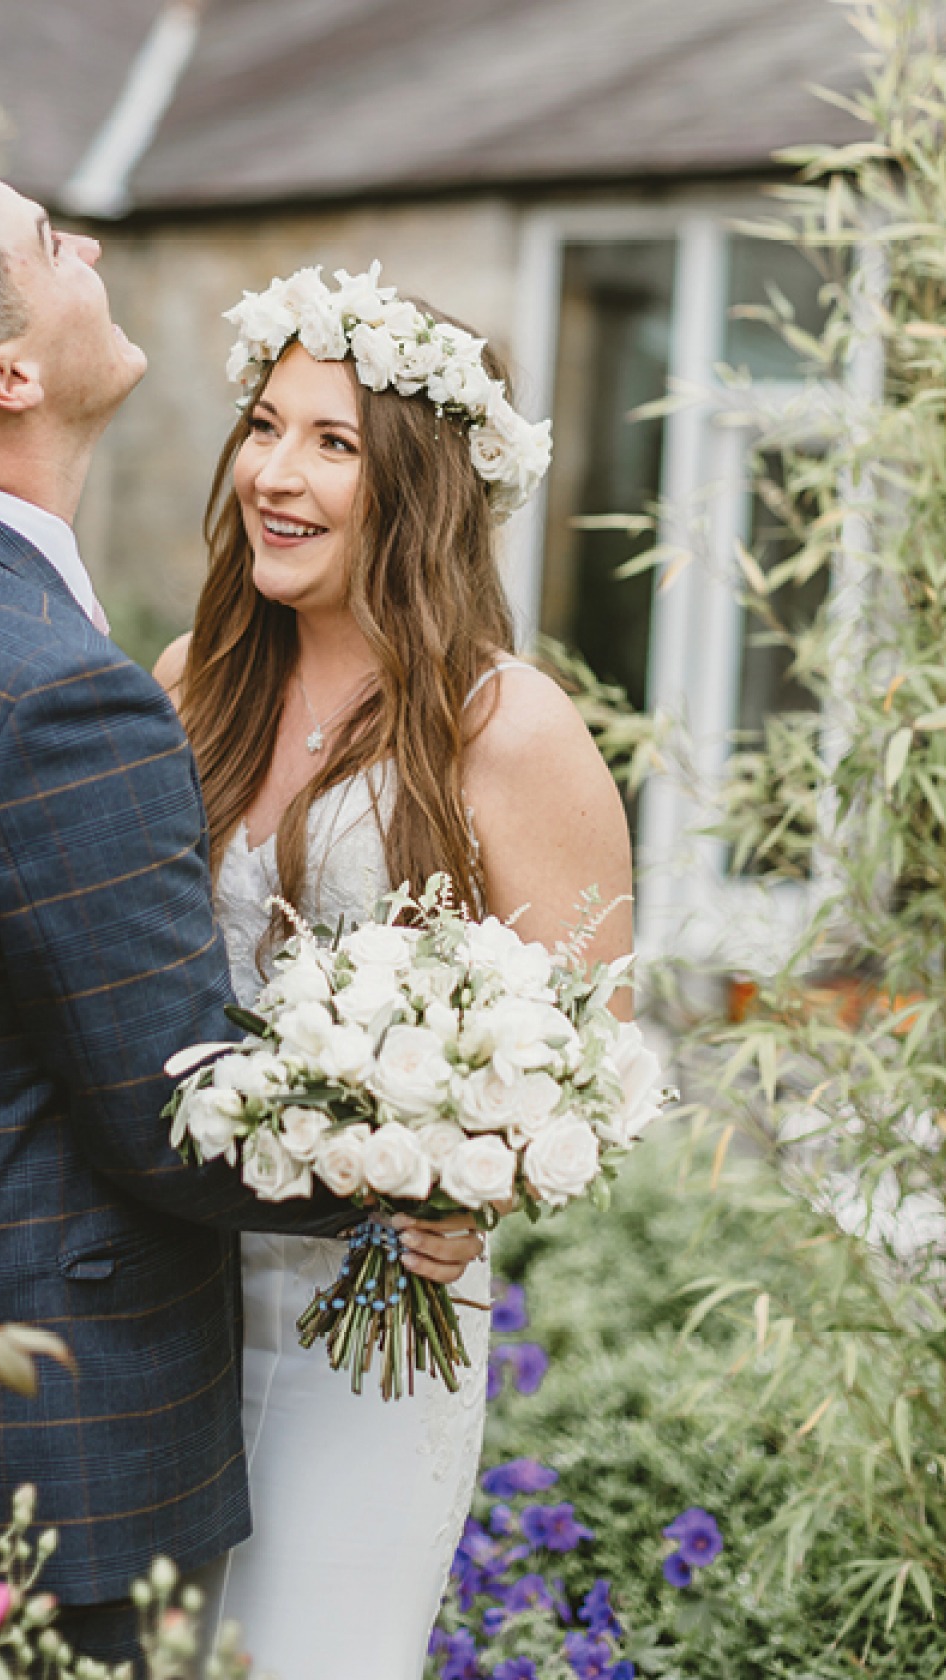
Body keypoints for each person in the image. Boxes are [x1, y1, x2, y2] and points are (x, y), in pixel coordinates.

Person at [0, 146, 482, 1670]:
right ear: (6, 371)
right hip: (37, 1473)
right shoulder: (62, 697)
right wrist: (423, 1161)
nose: (85, 244)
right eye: (46, 242)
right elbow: (172, 1118)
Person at [155, 265, 634, 1680]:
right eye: (263, 426)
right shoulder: (188, 682)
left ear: (415, 488)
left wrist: (469, 1190)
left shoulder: (512, 730)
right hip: (154, 1289)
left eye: (332, 442)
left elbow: (596, 1057)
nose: (274, 474)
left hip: (368, 1326)